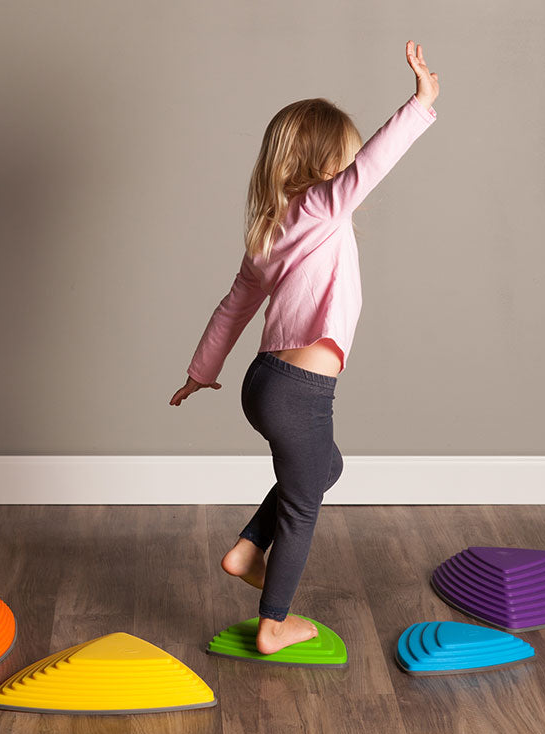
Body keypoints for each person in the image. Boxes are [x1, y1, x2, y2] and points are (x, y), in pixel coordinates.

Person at [170, 41, 440, 655]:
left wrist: (201, 372)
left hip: (263, 383)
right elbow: (372, 164)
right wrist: (420, 105)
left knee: (323, 469)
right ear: (327, 167)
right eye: (342, 165)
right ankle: (274, 623)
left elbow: (233, 306)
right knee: (302, 505)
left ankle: (245, 550)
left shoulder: (267, 231)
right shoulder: (322, 205)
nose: (351, 176)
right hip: (301, 391)